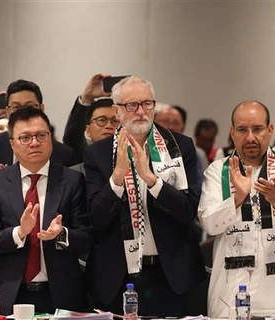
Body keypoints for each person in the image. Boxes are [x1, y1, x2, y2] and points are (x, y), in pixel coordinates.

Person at [84, 76, 205, 317]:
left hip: (170, 274)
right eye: (131, 105)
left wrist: (152, 179)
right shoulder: (98, 153)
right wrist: (117, 177)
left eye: (147, 104)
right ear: (117, 111)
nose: (140, 111)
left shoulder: (181, 147)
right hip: (117, 278)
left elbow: (188, 211)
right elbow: (96, 218)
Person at [0, 107, 92, 315]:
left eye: (41, 135)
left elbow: (86, 238)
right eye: (25, 137)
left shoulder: (72, 180)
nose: (34, 142)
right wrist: (18, 233)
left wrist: (62, 234)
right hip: (11, 293)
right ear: (12, 144)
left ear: (50, 138)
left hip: (61, 294)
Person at [198, 100, 275, 317]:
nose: (250, 137)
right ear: (232, 133)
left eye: (258, 129)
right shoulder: (218, 170)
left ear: (270, 130)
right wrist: (237, 198)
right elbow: (209, 224)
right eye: (242, 130)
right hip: (230, 289)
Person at [0, 79, 76, 187]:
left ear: (41, 108)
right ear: (7, 111)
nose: (23, 112)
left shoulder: (64, 154)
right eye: (16, 107)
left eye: (30, 106)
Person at [63, 73, 119, 163]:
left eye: (115, 121)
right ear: (88, 131)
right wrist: (87, 97)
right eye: (102, 120)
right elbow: (72, 139)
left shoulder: (135, 158)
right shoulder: (84, 158)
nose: (109, 126)